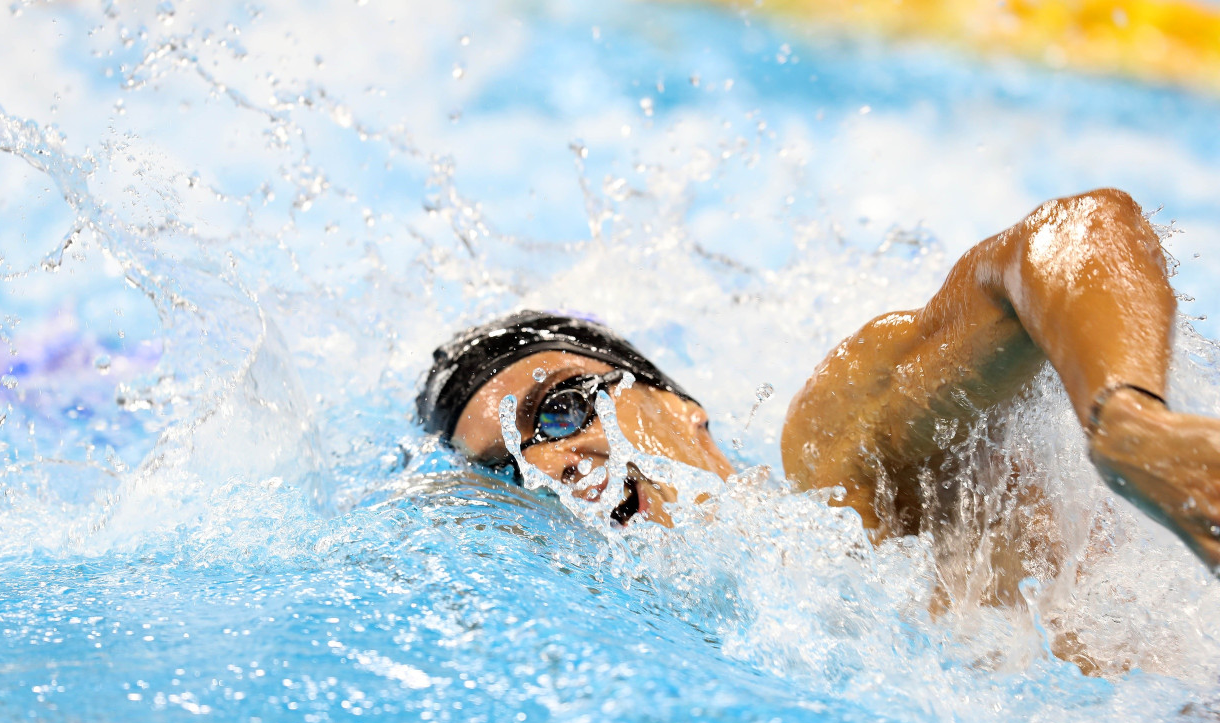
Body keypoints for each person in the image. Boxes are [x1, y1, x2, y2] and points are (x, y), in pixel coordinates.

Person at [416, 188, 1220, 581]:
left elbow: (1075, 233)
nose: (549, 465)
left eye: (559, 410)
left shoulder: (842, 472)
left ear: (678, 406)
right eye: (504, 470)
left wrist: (1130, 430)